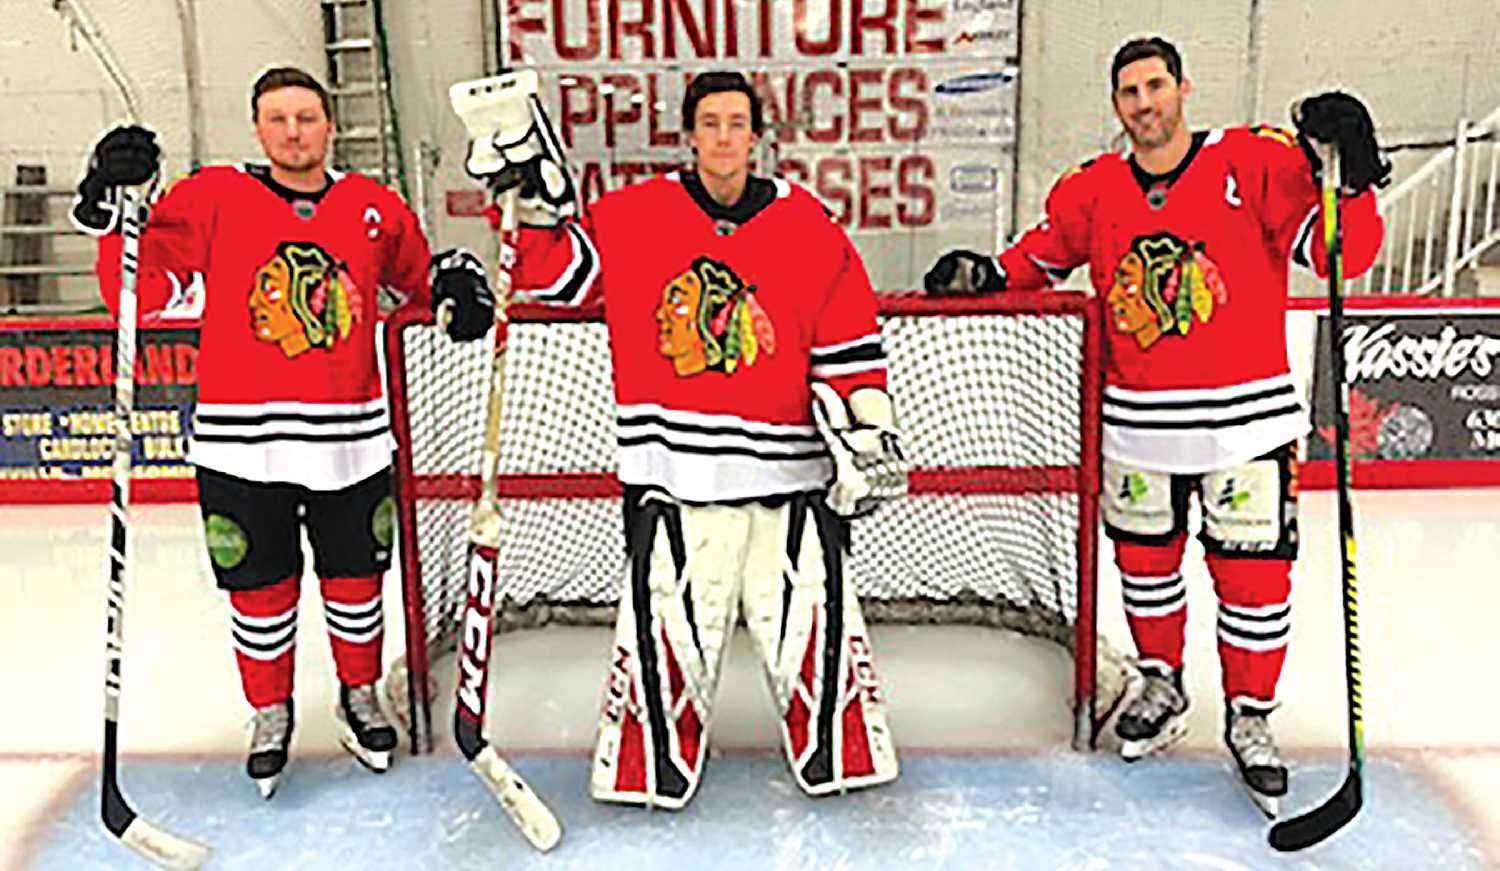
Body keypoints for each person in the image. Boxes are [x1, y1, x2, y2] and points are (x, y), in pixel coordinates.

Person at [924, 37, 1388, 817]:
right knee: (1146, 572)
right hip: (1138, 428)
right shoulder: (1096, 189)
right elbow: (1043, 255)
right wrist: (985, 273)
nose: (1145, 103)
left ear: (1183, 89)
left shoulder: (1252, 162)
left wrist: (1358, 178)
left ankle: (1249, 715)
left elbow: (1341, 255)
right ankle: (1161, 682)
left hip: (1246, 427)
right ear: (1117, 106)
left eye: (1156, 86)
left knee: (1253, 583)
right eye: (1129, 92)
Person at [460, 69, 905, 809]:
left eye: (738, 123)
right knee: (664, 650)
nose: (724, 136)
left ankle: (838, 754)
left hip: (790, 481)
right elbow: (560, 275)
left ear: (756, 137)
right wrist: (529, 212)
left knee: (815, 646)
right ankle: (652, 763)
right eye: (711, 123)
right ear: (689, 134)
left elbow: (850, 345)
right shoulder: (633, 215)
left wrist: (873, 431)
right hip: (673, 479)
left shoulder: (810, 225)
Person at [72, 66, 497, 799]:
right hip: (242, 444)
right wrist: (113, 212)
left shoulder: (373, 207)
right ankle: (270, 712)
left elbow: (416, 281)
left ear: (329, 126)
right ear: (258, 127)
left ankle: (360, 695)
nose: (293, 131)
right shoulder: (212, 197)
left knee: (357, 583)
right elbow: (142, 289)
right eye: (278, 119)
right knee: (259, 590)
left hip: (353, 439)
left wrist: (457, 285)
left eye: (306, 117)